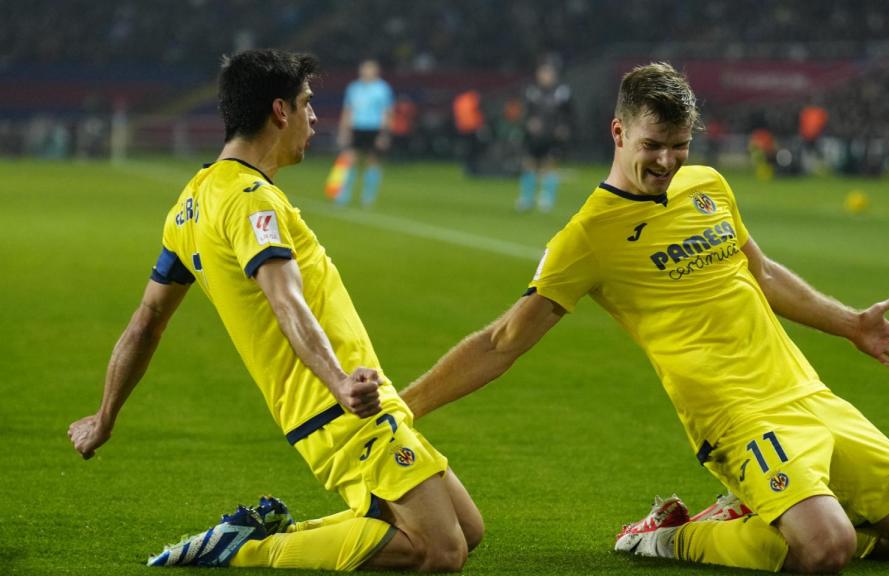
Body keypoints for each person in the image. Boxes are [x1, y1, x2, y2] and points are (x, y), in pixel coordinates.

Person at [400, 62, 889, 574]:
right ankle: (669, 537)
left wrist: (851, 324)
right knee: (828, 547)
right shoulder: (587, 237)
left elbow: (762, 273)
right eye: (653, 145)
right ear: (618, 133)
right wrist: (405, 408)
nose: (667, 161)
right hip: (734, 415)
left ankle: (765, 517)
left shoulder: (707, 185)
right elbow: (502, 341)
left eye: (679, 145)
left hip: (804, 390)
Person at [67, 49, 482, 572]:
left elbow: (146, 321)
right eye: (307, 103)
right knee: (441, 551)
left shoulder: (190, 204)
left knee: (467, 529)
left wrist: (105, 417)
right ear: (280, 111)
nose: (315, 118)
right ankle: (248, 550)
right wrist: (338, 382)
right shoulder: (250, 199)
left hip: (340, 401)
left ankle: (257, 533)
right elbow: (285, 299)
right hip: (338, 403)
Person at [516, 61, 572, 213]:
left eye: (548, 73)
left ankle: (547, 198)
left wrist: (563, 127)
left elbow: (569, 113)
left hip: (552, 135)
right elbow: (525, 111)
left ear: (554, 76)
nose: (545, 77)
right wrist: (528, 122)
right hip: (534, 136)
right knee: (529, 164)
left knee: (550, 164)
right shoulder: (532, 91)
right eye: (542, 73)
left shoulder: (561, 92)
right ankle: (526, 198)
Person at [336, 59, 394, 207]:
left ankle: (368, 196)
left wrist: (384, 133)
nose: (366, 72)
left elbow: (387, 112)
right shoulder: (353, 88)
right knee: (349, 159)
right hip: (356, 127)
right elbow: (347, 110)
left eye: (370, 69)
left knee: (372, 161)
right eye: (364, 69)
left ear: (376, 71)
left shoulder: (382, 89)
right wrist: (343, 131)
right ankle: (344, 194)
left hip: (374, 128)